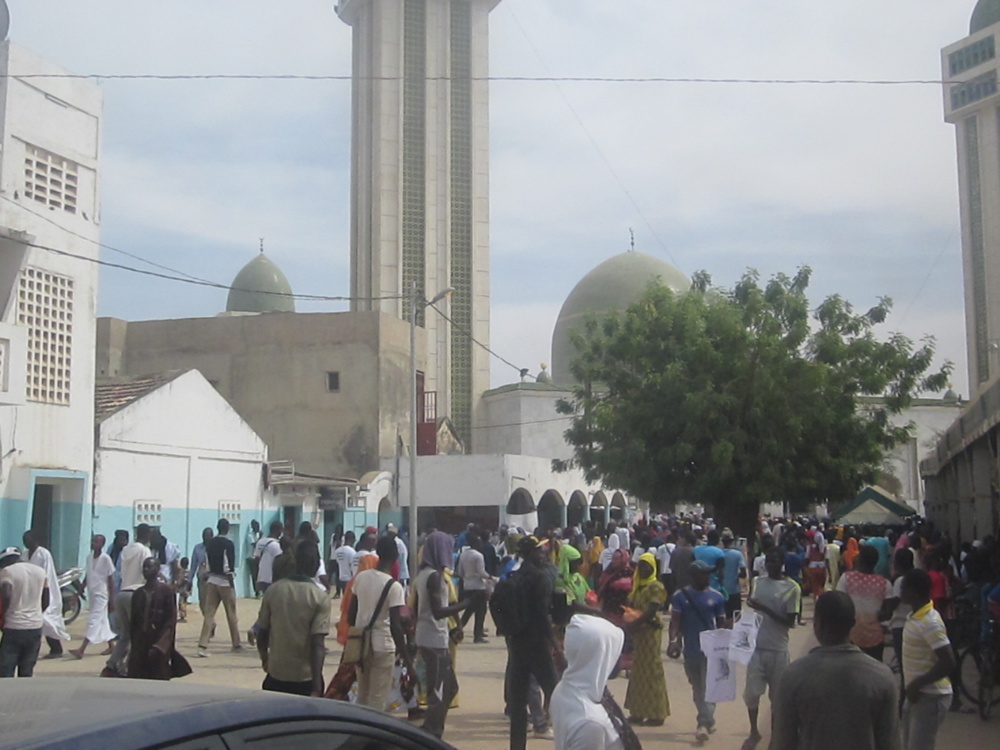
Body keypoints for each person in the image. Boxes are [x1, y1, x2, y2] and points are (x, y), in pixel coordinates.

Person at [770, 591, 900, 750]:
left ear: (817, 623)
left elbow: (782, 741)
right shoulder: (882, 676)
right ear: (853, 623)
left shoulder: (794, 675)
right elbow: (890, 743)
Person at [507, 535, 564, 750]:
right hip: (537, 643)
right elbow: (542, 615)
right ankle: (568, 741)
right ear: (531, 553)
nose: (544, 554)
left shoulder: (514, 576)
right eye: (540, 550)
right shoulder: (540, 578)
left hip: (517, 643)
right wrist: (556, 646)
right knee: (556, 695)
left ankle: (517, 746)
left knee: (519, 704)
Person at [413, 530, 470, 738]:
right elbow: (438, 612)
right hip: (433, 638)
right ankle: (432, 731)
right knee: (439, 689)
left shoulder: (423, 575)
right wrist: (465, 604)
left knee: (447, 687)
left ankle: (433, 726)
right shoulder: (435, 578)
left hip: (429, 636)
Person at [256, 540, 330, 696]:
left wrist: (265, 659)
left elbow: (262, 632)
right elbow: (318, 644)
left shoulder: (273, 591)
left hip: (276, 676)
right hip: (305, 678)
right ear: (317, 565)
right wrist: (317, 685)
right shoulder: (319, 597)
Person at [743, 547, 800, 750]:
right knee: (751, 693)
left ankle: (776, 736)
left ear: (782, 563)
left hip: (778, 648)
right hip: (756, 647)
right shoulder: (758, 582)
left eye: (775, 561)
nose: (770, 565)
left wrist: (765, 609)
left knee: (778, 697)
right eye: (768, 561)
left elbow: (790, 621)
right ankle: (753, 731)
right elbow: (753, 604)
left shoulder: (792, 588)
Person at [350, 535, 413, 711]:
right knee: (377, 699)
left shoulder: (361, 578)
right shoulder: (394, 586)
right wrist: (407, 661)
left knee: (362, 696)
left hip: (361, 646)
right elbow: (395, 626)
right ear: (395, 557)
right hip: (383, 647)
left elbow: (350, 617)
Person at [667, 559, 727, 742]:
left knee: (708, 688)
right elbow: (675, 621)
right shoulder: (680, 596)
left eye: (709, 573)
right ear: (694, 576)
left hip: (710, 650)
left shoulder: (717, 597)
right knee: (697, 688)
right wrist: (673, 641)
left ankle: (702, 723)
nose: (708, 577)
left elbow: (721, 624)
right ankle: (708, 718)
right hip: (691, 649)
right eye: (704, 574)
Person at [551, 614, 627, 750]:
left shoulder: (566, 688)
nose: (620, 658)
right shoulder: (590, 723)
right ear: (600, 655)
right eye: (615, 651)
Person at [900, 569, 955, 750]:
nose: (900, 590)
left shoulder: (930, 622)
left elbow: (948, 662)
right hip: (917, 694)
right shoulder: (915, 616)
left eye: (904, 586)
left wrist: (918, 684)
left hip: (931, 696)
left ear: (913, 591)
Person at [623, 551, 669, 726]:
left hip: (649, 632)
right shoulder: (638, 586)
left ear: (653, 567)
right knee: (638, 672)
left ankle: (657, 713)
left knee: (652, 671)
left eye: (646, 566)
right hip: (639, 633)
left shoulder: (656, 586)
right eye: (640, 566)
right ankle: (638, 712)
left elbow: (651, 610)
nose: (642, 569)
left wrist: (634, 624)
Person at [128, 557, 192, 681]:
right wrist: (135, 645)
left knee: (159, 676)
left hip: (158, 644)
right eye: (144, 567)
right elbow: (133, 624)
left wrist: (160, 646)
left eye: (149, 567)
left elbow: (170, 622)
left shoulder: (166, 592)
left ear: (158, 570)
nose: (146, 570)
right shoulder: (138, 594)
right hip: (141, 645)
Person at [104, 523, 153, 677]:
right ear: (147, 535)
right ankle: (130, 666)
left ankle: (111, 664)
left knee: (125, 634)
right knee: (139, 634)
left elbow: (119, 572)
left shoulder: (125, 550)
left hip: (122, 593)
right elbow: (148, 571)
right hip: (136, 594)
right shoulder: (145, 551)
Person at [837, 544, 893, 662]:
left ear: (860, 559)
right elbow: (887, 614)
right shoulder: (885, 583)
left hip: (851, 635)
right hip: (875, 637)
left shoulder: (846, 578)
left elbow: (839, 604)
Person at [0, 546, 48, 677]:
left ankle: (6, 696)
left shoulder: (7, 571)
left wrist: (3, 618)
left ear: (6, 561)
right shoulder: (40, 571)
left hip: (13, 626)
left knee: (6, 669)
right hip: (35, 626)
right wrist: (35, 614)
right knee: (27, 669)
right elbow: (46, 600)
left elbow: (6, 595)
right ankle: (23, 695)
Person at [197, 518, 242, 657]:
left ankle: (202, 645)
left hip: (212, 580)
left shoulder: (210, 544)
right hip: (224, 582)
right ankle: (236, 644)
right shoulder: (228, 544)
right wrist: (231, 580)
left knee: (209, 614)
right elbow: (228, 565)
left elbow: (207, 563)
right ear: (227, 529)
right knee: (231, 614)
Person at [23, 530, 71, 658]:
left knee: (47, 620)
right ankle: (52, 649)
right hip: (31, 593)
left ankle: (56, 649)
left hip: (46, 591)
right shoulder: (25, 554)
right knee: (39, 622)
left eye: (28, 540)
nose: (26, 543)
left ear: (35, 540)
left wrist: (44, 590)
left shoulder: (43, 554)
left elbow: (47, 574)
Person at [69, 535, 116, 659]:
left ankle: (81, 649)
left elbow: (110, 580)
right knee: (102, 621)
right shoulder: (89, 558)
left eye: (96, 542)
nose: (93, 543)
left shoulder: (106, 559)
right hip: (92, 593)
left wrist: (112, 599)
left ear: (102, 544)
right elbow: (87, 576)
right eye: (92, 541)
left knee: (93, 620)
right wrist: (78, 593)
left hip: (102, 594)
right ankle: (112, 646)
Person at [457, 530, 491, 643]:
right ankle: (478, 635)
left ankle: (458, 629)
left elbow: (460, 573)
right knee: (481, 611)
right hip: (478, 586)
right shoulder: (479, 556)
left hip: (467, 586)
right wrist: (490, 577)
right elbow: (481, 572)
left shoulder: (463, 555)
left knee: (468, 610)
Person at [721, 530, 746, 619]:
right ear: (732, 541)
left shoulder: (718, 554)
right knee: (736, 617)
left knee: (723, 617)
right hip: (734, 590)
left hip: (721, 590)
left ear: (722, 541)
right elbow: (743, 573)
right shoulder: (737, 554)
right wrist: (737, 577)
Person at [188, 527, 213, 615]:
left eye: (208, 536)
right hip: (202, 578)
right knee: (202, 602)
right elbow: (193, 565)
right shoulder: (197, 548)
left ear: (212, 536)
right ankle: (209, 621)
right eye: (204, 535)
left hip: (212, 579)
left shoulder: (215, 547)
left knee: (210, 602)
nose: (206, 538)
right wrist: (189, 580)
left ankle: (209, 623)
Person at [334, 531, 357, 598]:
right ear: (352, 539)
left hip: (341, 578)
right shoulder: (352, 552)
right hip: (350, 579)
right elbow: (352, 567)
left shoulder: (337, 551)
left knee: (345, 599)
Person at [246, 519, 262, 597]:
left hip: (257, 557)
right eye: (257, 527)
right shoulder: (250, 535)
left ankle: (259, 590)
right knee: (254, 575)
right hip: (251, 558)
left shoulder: (257, 535)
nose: (258, 528)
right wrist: (260, 538)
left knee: (259, 575)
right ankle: (256, 592)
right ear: (253, 527)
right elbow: (255, 545)